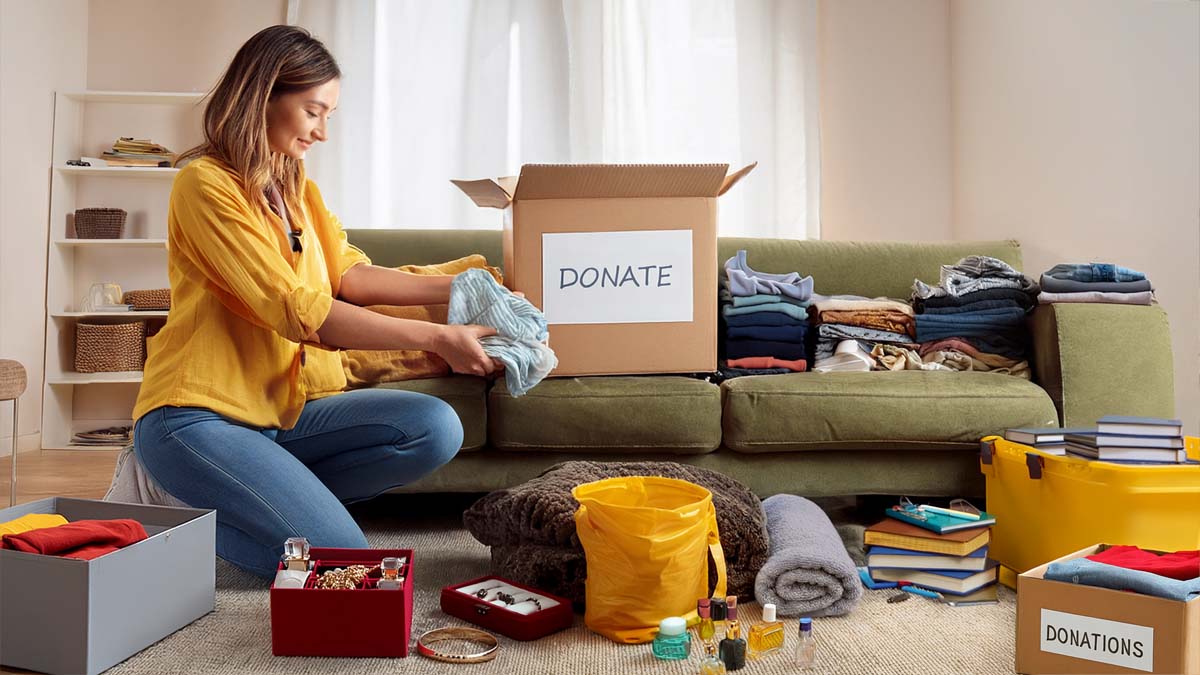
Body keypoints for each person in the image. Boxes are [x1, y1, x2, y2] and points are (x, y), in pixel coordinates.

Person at [133, 25, 500, 578]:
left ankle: (265, 501)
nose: (322, 132)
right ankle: (184, 520)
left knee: (434, 426)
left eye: (328, 115)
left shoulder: (297, 187)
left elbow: (349, 274)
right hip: (196, 419)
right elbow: (294, 307)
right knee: (343, 565)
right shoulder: (203, 186)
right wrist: (436, 337)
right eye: (313, 111)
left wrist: (464, 288)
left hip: (283, 415)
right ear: (263, 96)